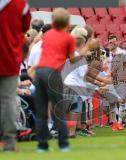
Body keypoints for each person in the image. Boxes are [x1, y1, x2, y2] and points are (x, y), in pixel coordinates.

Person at [34, 8, 76, 152]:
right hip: (53, 73)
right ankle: (63, 144)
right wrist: (88, 47)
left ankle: (42, 146)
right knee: (58, 110)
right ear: (67, 21)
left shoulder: (47, 35)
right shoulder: (68, 38)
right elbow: (74, 59)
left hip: (40, 72)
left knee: (41, 112)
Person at [0, 0, 31, 151]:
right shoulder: (20, 4)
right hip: (8, 57)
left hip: (9, 57)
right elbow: (24, 27)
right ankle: (9, 143)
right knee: (8, 100)